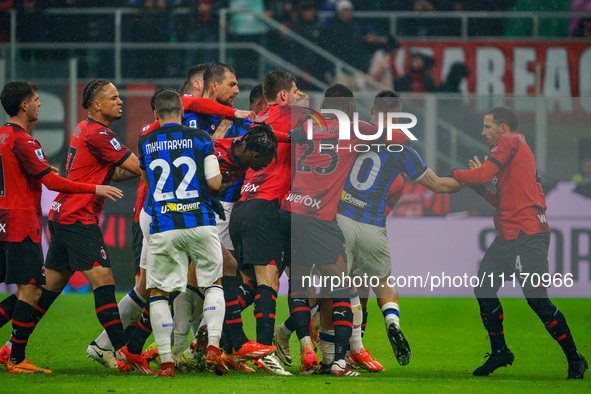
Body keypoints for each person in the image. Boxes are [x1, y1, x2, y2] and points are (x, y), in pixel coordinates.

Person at [451, 106, 588, 379]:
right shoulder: (515, 151)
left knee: (538, 301)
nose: (483, 132)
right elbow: (500, 200)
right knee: (484, 288)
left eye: (487, 126)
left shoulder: (509, 142)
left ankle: (575, 359)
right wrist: (479, 185)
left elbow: (480, 175)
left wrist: (453, 175)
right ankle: (500, 352)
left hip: (527, 236)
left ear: (503, 127)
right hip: (508, 236)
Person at [0, 81, 123, 373]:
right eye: (36, 99)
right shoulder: (25, 140)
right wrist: (95, 188)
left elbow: (22, 173)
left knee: (33, 290)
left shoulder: (4, 135)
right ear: (24, 106)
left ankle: (10, 352)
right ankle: (16, 358)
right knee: (30, 291)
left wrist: (36, 173)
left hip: (7, 219)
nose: (40, 104)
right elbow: (53, 184)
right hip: (22, 221)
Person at [36, 79, 141, 371]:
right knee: (104, 280)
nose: (120, 101)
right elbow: (139, 167)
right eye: (114, 97)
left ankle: (12, 346)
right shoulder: (99, 133)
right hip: (77, 217)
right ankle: (120, 352)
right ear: (97, 105)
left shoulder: (85, 128)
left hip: (62, 213)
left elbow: (114, 173)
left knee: (49, 288)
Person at [121, 89, 226, 377]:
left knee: (158, 293)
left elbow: (148, 181)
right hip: (200, 222)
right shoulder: (201, 138)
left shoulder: (145, 141)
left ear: (155, 114)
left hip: (164, 225)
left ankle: (166, 361)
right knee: (213, 283)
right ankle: (214, 344)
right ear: (182, 111)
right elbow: (214, 183)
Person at [229, 70, 301, 376]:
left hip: (242, 206)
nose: (299, 97)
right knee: (269, 282)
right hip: (266, 207)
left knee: (249, 284)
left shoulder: (257, 120)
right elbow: (326, 130)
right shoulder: (291, 115)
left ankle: (215, 337)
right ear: (284, 95)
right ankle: (264, 353)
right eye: (296, 91)